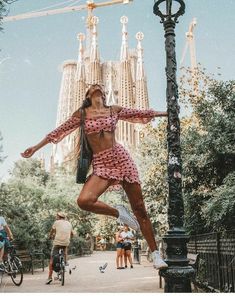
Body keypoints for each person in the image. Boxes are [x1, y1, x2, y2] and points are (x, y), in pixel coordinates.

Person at [21, 84, 168, 269]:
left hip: (122, 159)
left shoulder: (114, 110)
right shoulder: (82, 114)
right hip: (102, 163)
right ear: (88, 94)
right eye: (92, 86)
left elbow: (141, 113)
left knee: (140, 208)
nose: (96, 85)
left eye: (100, 86)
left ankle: (156, 255)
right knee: (84, 200)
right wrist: (35, 147)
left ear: (104, 94)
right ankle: (119, 213)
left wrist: (167, 113)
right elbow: (58, 131)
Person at [46, 212, 74, 285]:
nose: (56, 217)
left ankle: (49, 277)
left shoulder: (56, 222)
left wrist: (50, 236)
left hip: (57, 243)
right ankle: (65, 262)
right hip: (66, 242)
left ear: (59, 217)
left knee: (52, 259)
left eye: (57, 216)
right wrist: (69, 238)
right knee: (65, 251)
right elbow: (72, 234)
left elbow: (52, 231)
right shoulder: (69, 223)